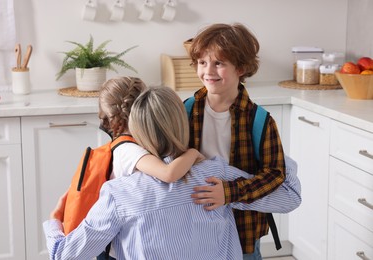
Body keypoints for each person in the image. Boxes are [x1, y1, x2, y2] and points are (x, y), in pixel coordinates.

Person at [43, 86, 301, 260]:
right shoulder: (217, 177)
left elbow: (65, 255)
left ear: (136, 133)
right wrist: (271, 151)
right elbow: (289, 198)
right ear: (183, 122)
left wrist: (55, 221)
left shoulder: (119, 195)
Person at [187, 23, 288, 259]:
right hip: (196, 223)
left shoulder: (259, 119)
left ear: (241, 68)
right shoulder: (186, 110)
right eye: (202, 62)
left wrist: (229, 192)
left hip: (243, 228)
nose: (208, 71)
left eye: (218, 63)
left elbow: (275, 173)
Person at [95, 77, 205, 260]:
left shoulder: (133, 144)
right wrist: (192, 153)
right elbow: (168, 174)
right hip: (118, 251)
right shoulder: (129, 150)